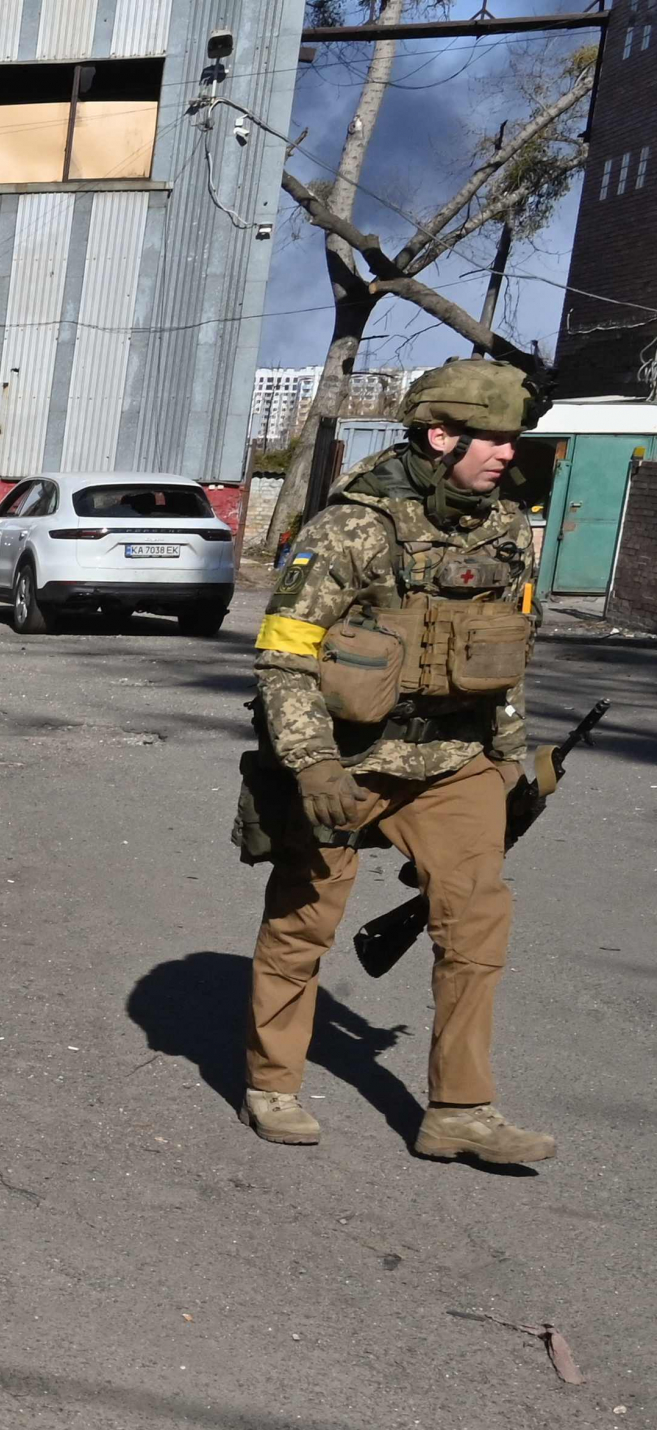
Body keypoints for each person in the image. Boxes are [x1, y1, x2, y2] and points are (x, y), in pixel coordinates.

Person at [241, 358, 550, 1166]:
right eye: (495, 439)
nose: (508, 454)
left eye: (513, 441)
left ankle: (460, 1110)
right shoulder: (351, 528)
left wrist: (509, 757)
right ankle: (272, 1084)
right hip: (348, 757)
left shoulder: (506, 528)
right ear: (441, 437)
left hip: (452, 758)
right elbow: (285, 655)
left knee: (476, 922)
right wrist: (311, 762)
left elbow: (508, 653)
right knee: (304, 923)